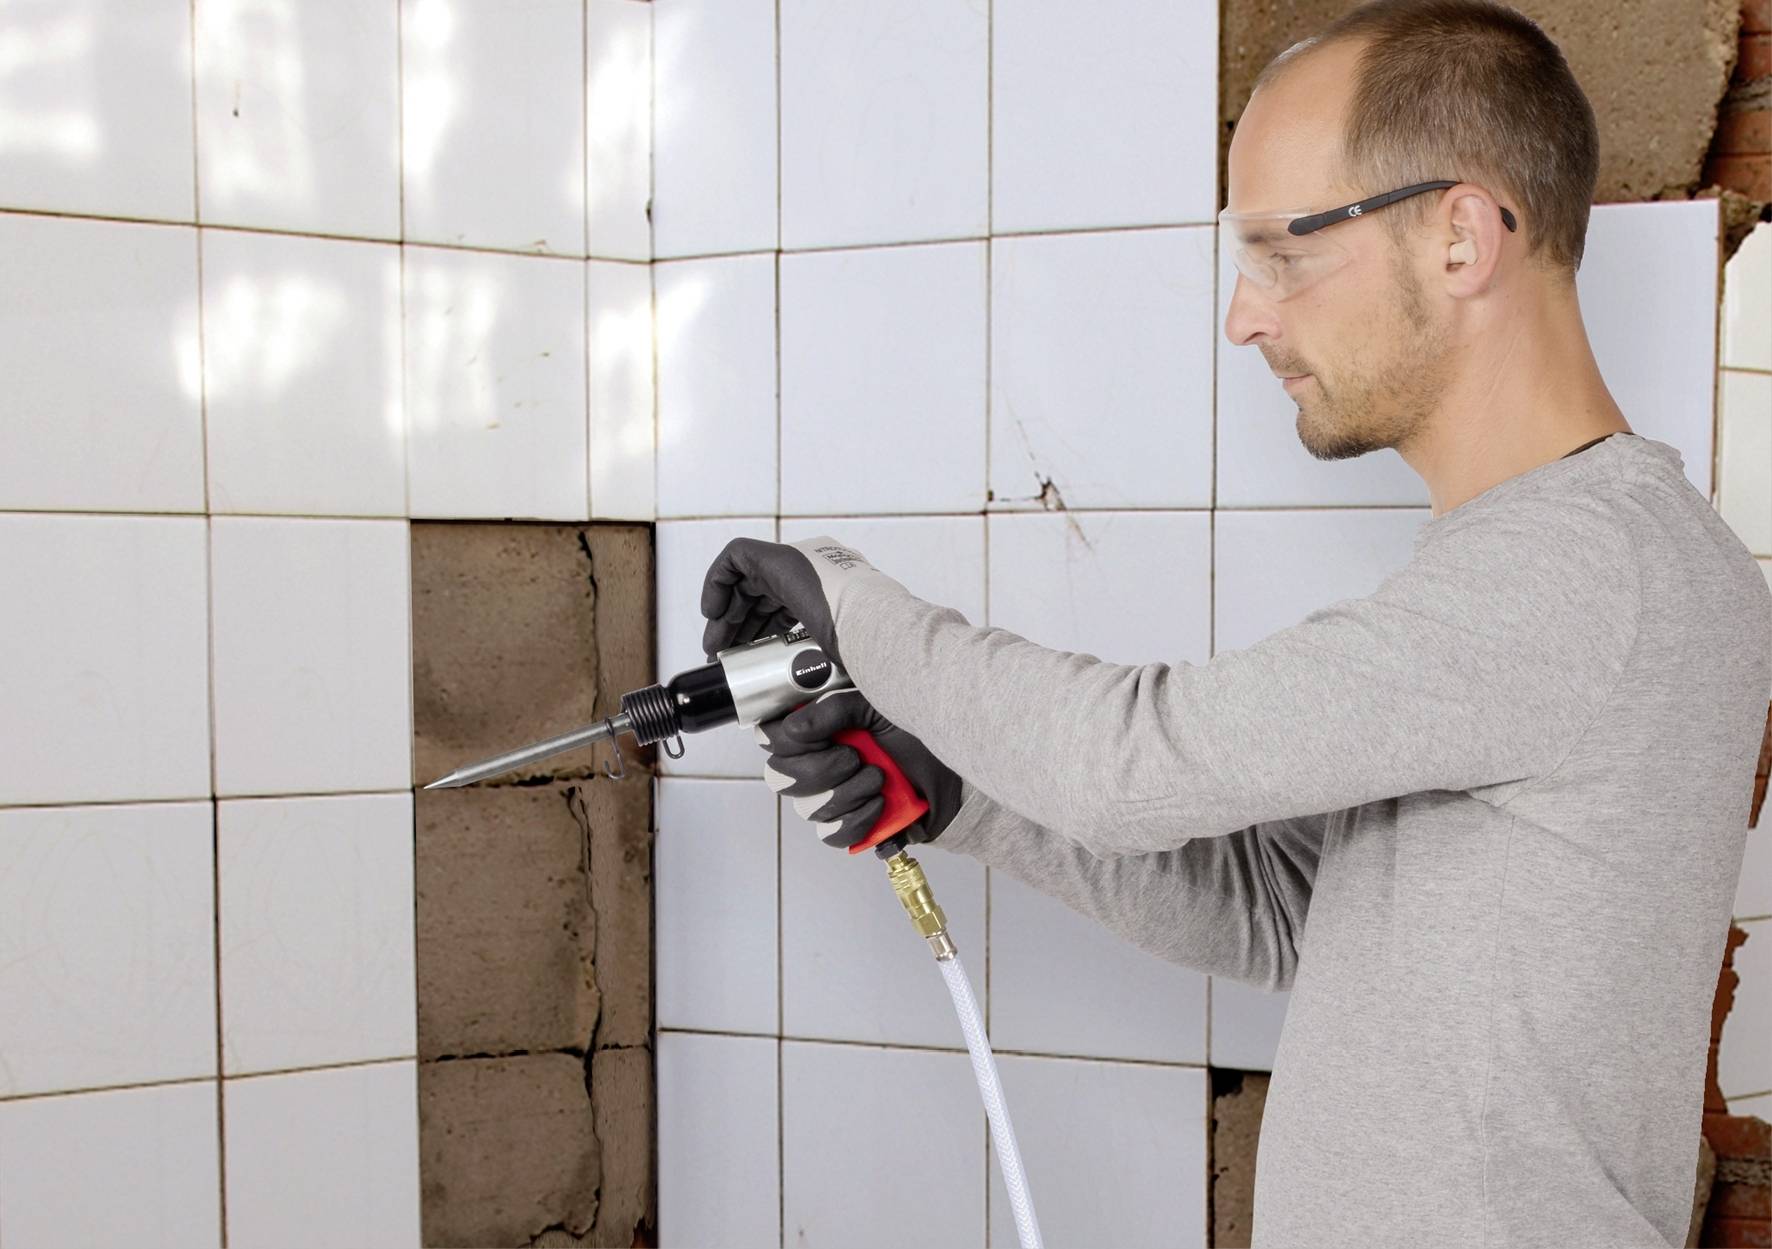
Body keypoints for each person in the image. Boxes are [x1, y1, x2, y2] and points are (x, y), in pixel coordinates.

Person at [697, 1, 1772, 1244]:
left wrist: (846, 600)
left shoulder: (1585, 565)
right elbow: (1280, 910)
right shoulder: (1554, 563)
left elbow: (1129, 764)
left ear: (1460, 236)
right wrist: (963, 794)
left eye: (1283, 251)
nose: (1244, 315)